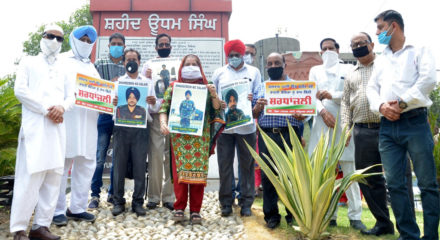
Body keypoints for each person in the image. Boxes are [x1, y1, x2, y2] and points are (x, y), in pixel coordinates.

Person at [367, 10, 439, 239]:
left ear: (393, 26)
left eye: (380, 28)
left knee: (427, 183)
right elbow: (371, 88)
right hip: (387, 126)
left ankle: (430, 236)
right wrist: (382, 107)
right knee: (395, 183)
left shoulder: (419, 49)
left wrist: (401, 103)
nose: (377, 33)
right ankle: (408, 234)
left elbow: (428, 79)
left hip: (415, 121)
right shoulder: (382, 58)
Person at [10, 24, 74, 240]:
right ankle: (19, 229)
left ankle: (41, 227)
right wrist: (46, 110)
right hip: (35, 126)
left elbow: (71, 95)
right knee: (29, 178)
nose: (55, 42)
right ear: (42, 37)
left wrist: (62, 107)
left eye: (59, 39)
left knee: (53, 177)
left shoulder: (64, 67)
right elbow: (20, 91)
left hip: (57, 127)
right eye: (51, 37)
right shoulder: (29, 62)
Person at [308, 38, 366, 231]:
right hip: (321, 125)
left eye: (331, 48)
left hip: (343, 123)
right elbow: (311, 95)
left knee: (350, 172)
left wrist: (332, 95)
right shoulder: (315, 71)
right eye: (324, 49)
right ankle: (329, 215)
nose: (327, 52)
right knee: (326, 172)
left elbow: (354, 94)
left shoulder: (349, 69)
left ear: (338, 50)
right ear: (319, 53)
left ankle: (355, 216)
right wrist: (322, 112)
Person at [341, 32, 394, 236]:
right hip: (361, 131)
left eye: (361, 43)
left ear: (372, 44)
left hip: (388, 127)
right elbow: (345, 103)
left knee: (397, 177)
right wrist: (346, 128)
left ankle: (406, 225)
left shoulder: (385, 66)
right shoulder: (350, 74)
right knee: (369, 179)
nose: (357, 47)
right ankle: (383, 222)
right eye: (353, 44)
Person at [159, 54, 221, 224]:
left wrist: (214, 94)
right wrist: (163, 123)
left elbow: (216, 110)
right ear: (182, 67)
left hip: (200, 139)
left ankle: (195, 210)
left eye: (195, 64)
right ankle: (179, 207)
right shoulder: (173, 87)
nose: (191, 66)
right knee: (180, 174)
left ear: (200, 67)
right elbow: (164, 108)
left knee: (198, 175)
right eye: (188, 64)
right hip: (179, 139)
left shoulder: (206, 88)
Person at [52, 25, 100, 226]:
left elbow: (100, 94)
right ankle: (57, 210)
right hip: (67, 120)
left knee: (87, 164)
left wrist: (110, 100)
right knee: (62, 165)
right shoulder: (61, 60)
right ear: (73, 39)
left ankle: (78, 207)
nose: (86, 44)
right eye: (83, 40)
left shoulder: (91, 66)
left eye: (90, 41)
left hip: (89, 122)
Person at [252, 52, 305, 229]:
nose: (273, 66)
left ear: (284, 65)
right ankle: (271, 216)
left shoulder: (296, 87)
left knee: (292, 175)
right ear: (266, 67)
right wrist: (258, 107)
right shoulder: (260, 87)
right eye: (270, 63)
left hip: (289, 135)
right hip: (267, 135)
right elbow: (253, 114)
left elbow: (304, 116)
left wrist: (301, 116)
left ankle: (293, 214)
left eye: (277, 63)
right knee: (268, 176)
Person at [212, 39, 261, 217]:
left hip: (247, 127)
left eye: (237, 55)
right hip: (225, 128)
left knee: (246, 166)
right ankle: (226, 202)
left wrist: (251, 99)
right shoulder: (219, 73)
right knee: (224, 165)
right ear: (227, 56)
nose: (234, 58)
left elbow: (258, 95)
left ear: (243, 55)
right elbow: (214, 99)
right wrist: (219, 102)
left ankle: (246, 202)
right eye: (230, 55)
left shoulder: (254, 72)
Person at [112, 49, 159, 216]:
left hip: (141, 128)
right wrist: (113, 102)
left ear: (139, 62)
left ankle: (138, 202)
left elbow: (154, 108)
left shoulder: (148, 83)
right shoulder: (117, 84)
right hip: (121, 128)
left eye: (134, 59)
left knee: (140, 166)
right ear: (123, 62)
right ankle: (118, 201)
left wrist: (153, 102)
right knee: (119, 165)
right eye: (127, 59)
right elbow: (110, 107)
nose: (131, 62)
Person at [88, 32, 126, 209]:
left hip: (122, 116)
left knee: (118, 158)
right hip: (103, 114)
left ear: (124, 47)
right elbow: (93, 86)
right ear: (109, 46)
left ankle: (112, 193)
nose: (117, 46)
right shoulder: (99, 64)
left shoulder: (128, 66)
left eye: (120, 44)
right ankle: (94, 194)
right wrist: (111, 84)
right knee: (99, 157)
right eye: (114, 44)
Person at [141, 33, 175, 210]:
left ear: (170, 46)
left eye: (166, 44)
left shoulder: (177, 65)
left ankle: (169, 196)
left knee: (171, 156)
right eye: (160, 44)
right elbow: (141, 87)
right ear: (155, 47)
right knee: (155, 156)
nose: (163, 47)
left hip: (173, 116)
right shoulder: (148, 65)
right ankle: (153, 196)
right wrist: (147, 78)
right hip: (155, 117)